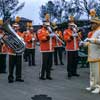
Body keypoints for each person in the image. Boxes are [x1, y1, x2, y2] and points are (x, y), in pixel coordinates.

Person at [81, 17, 100, 93]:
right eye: (91, 23)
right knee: (92, 72)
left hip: (97, 55)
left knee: (97, 73)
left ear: (97, 23)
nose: (91, 25)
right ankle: (92, 86)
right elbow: (90, 43)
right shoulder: (93, 32)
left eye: (92, 23)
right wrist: (84, 44)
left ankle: (98, 87)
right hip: (91, 55)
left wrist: (91, 40)